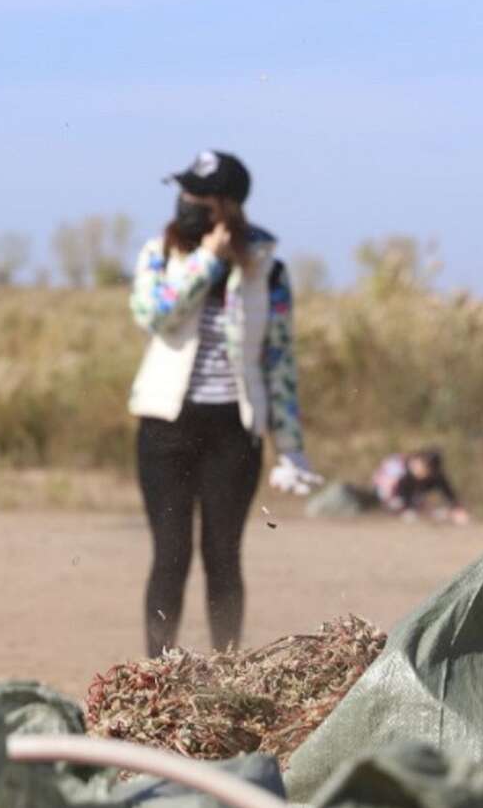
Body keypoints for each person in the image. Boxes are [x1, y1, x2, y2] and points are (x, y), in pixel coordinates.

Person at [127, 149, 319, 656]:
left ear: (225, 205)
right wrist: (205, 262)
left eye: (197, 194)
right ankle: (159, 674)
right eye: (183, 192)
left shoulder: (268, 270)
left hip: (234, 430)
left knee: (223, 555)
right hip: (166, 426)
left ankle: (227, 667)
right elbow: (154, 313)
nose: (184, 202)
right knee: (170, 555)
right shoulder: (158, 254)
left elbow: (278, 360)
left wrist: (291, 446)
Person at [371, 448, 468, 524]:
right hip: (387, 496)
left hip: (408, 501)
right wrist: (407, 508)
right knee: (408, 509)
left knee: (427, 509)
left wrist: (457, 508)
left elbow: (447, 491)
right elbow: (388, 492)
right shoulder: (399, 468)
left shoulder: (433, 474)